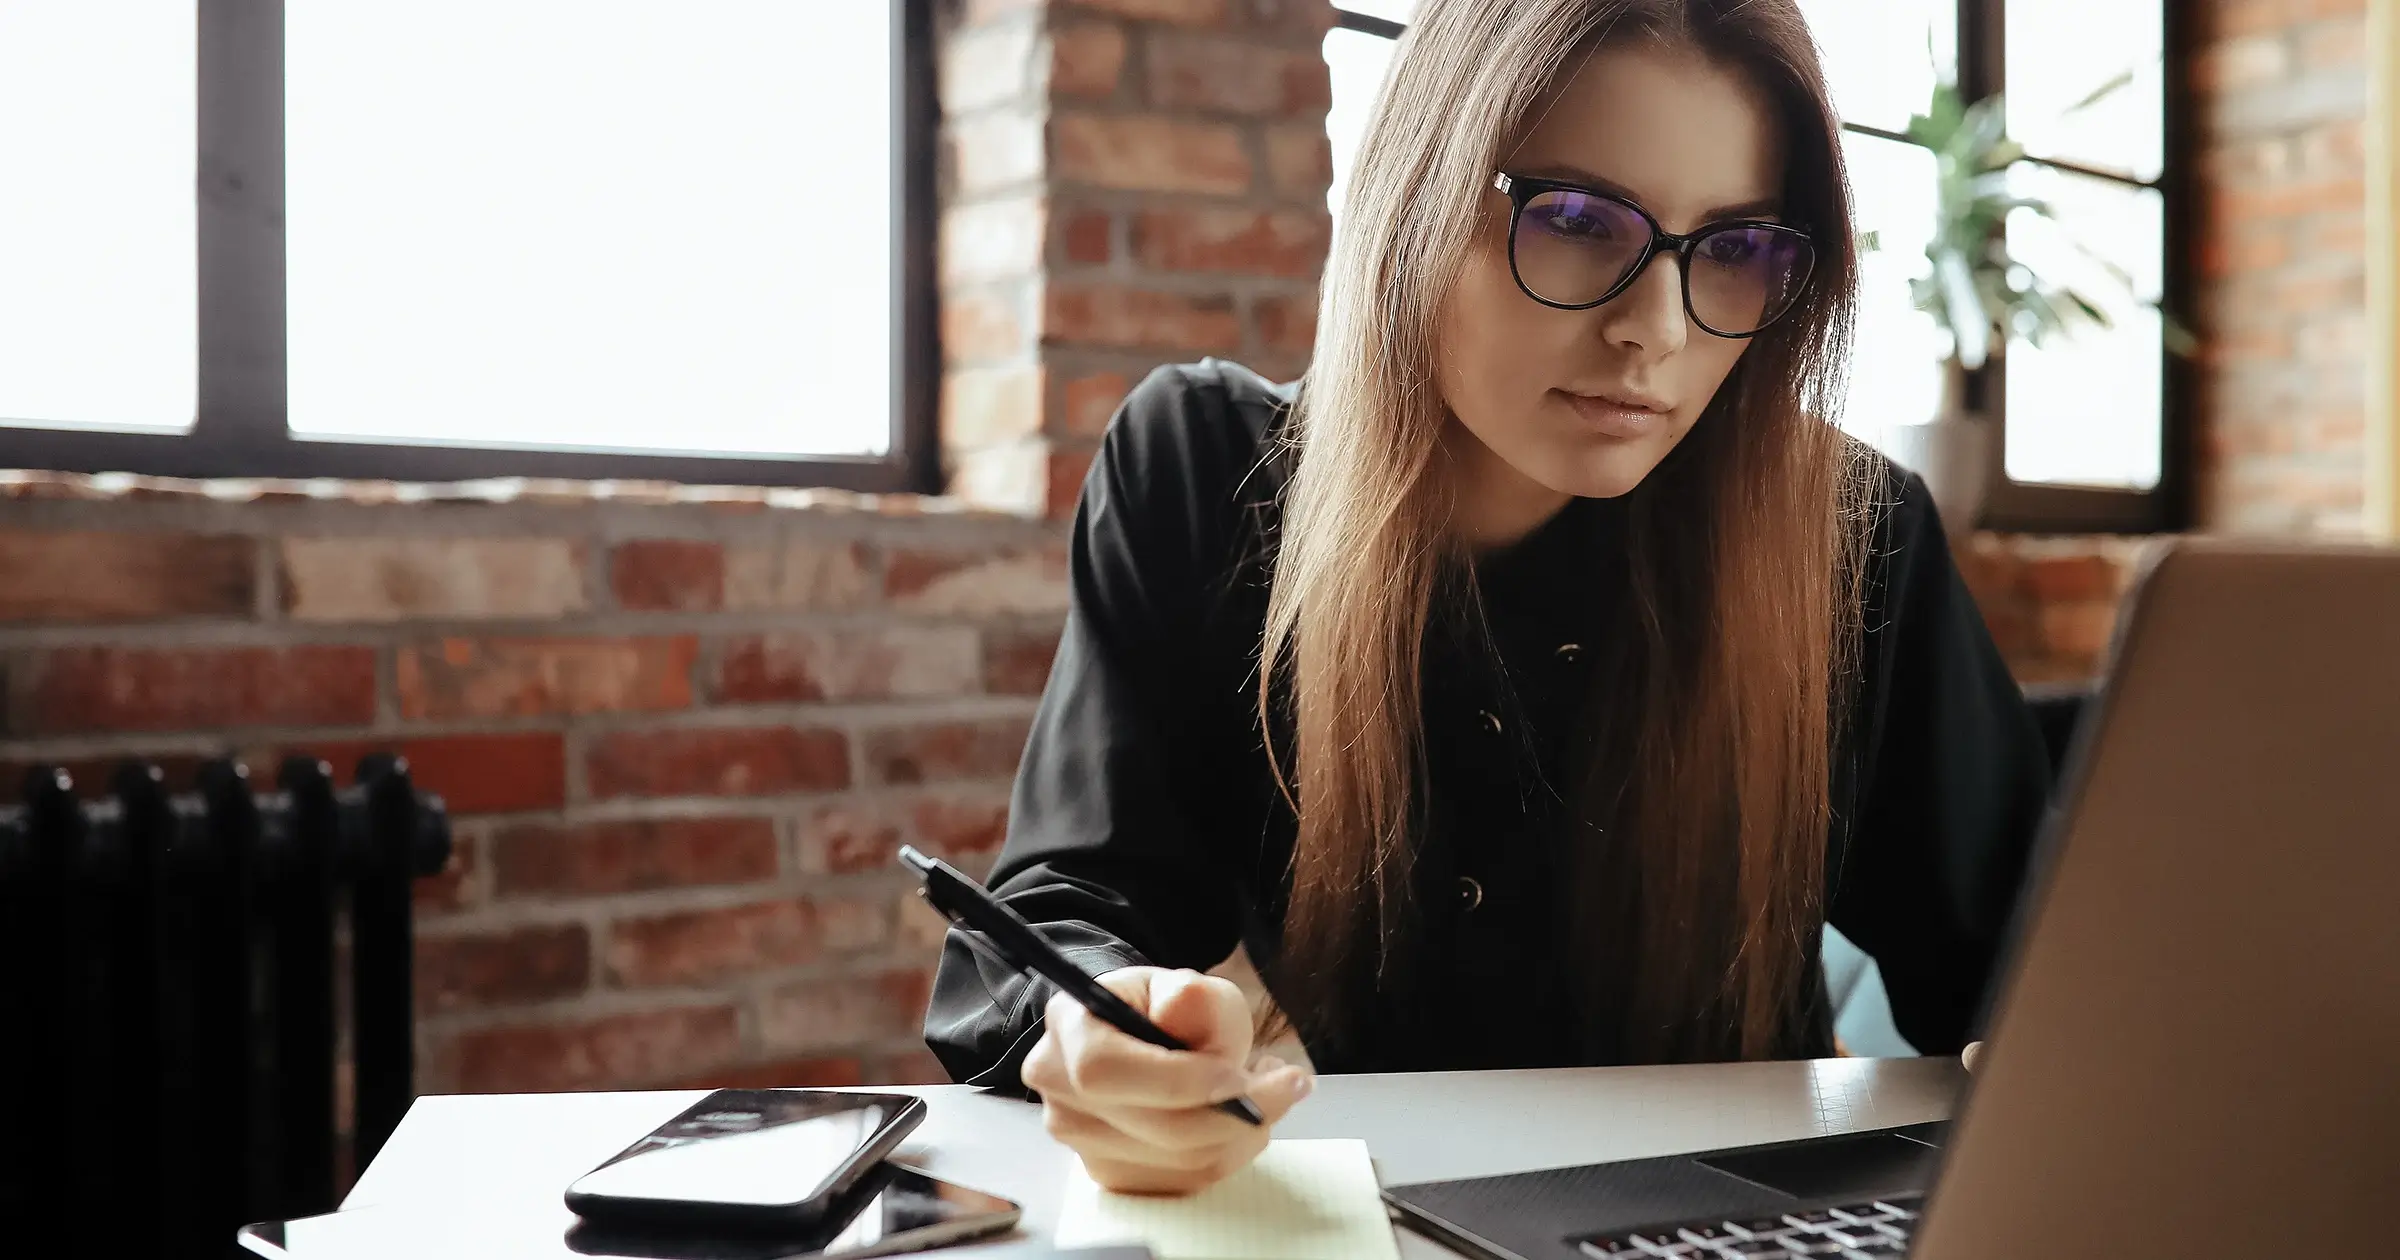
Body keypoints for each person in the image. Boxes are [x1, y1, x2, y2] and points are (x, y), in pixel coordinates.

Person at [923, 0, 2048, 1195]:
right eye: (1574, 220)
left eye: (1733, 248)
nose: (1654, 332)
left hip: (1729, 1228)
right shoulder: (1209, 474)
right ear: (1418, 197)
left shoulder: (1848, 538)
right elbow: (1067, 900)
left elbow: (2036, 959)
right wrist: (1106, 1024)